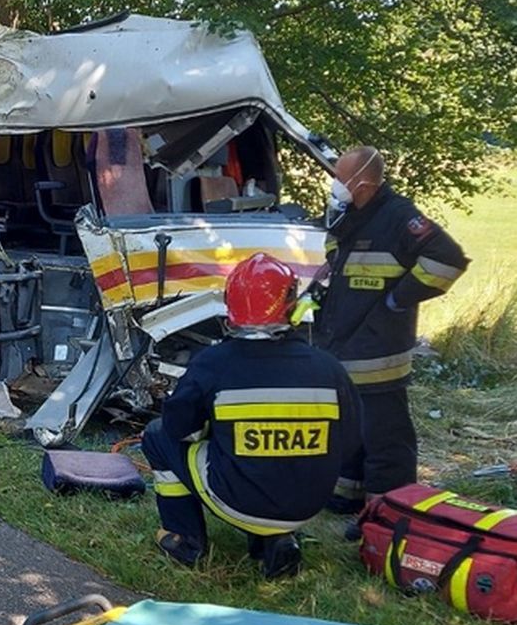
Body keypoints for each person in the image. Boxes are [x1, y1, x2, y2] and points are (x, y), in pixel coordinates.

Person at [143, 253, 363, 578]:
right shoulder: (328, 367)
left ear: (231, 305)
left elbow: (178, 429)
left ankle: (186, 539)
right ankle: (275, 540)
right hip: (308, 504)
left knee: (157, 436)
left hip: (241, 502)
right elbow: (351, 444)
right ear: (291, 304)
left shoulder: (214, 363)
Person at [313, 147, 469, 513]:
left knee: (386, 435)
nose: (334, 185)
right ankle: (348, 494)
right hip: (346, 340)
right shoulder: (350, 215)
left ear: (363, 184)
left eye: (340, 178)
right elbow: (337, 254)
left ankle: (389, 510)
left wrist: (398, 300)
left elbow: (448, 260)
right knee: (351, 425)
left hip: (380, 349)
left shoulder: (399, 218)